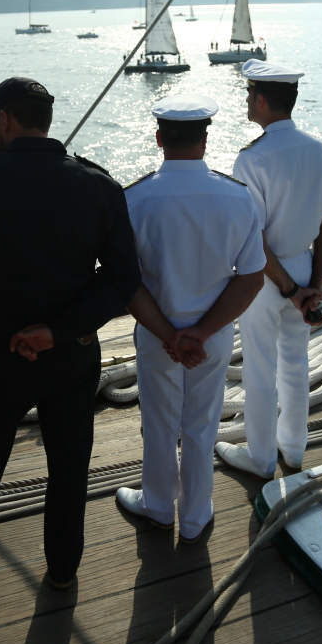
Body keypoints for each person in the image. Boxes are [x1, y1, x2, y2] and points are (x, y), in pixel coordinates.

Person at [0, 77, 140, 589]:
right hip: (72, 351)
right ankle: (64, 567)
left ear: (3, 120)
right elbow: (121, 280)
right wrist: (58, 330)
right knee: (69, 461)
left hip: (2, 351)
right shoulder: (99, 184)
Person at [115, 95, 265, 543]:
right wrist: (198, 333)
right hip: (213, 336)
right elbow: (252, 278)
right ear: (205, 139)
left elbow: (126, 282)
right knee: (202, 423)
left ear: (159, 138)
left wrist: (170, 335)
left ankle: (159, 506)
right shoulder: (238, 198)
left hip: (156, 333)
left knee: (159, 423)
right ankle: (196, 515)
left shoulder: (133, 199)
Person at [214, 60, 322, 478]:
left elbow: (253, 238)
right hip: (303, 267)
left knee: (260, 368)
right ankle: (295, 449)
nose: (247, 101)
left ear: (262, 100)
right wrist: (313, 286)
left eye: (250, 95)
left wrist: (288, 289)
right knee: (296, 363)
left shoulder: (254, 158)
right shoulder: (319, 151)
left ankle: (262, 458)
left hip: (265, 279)